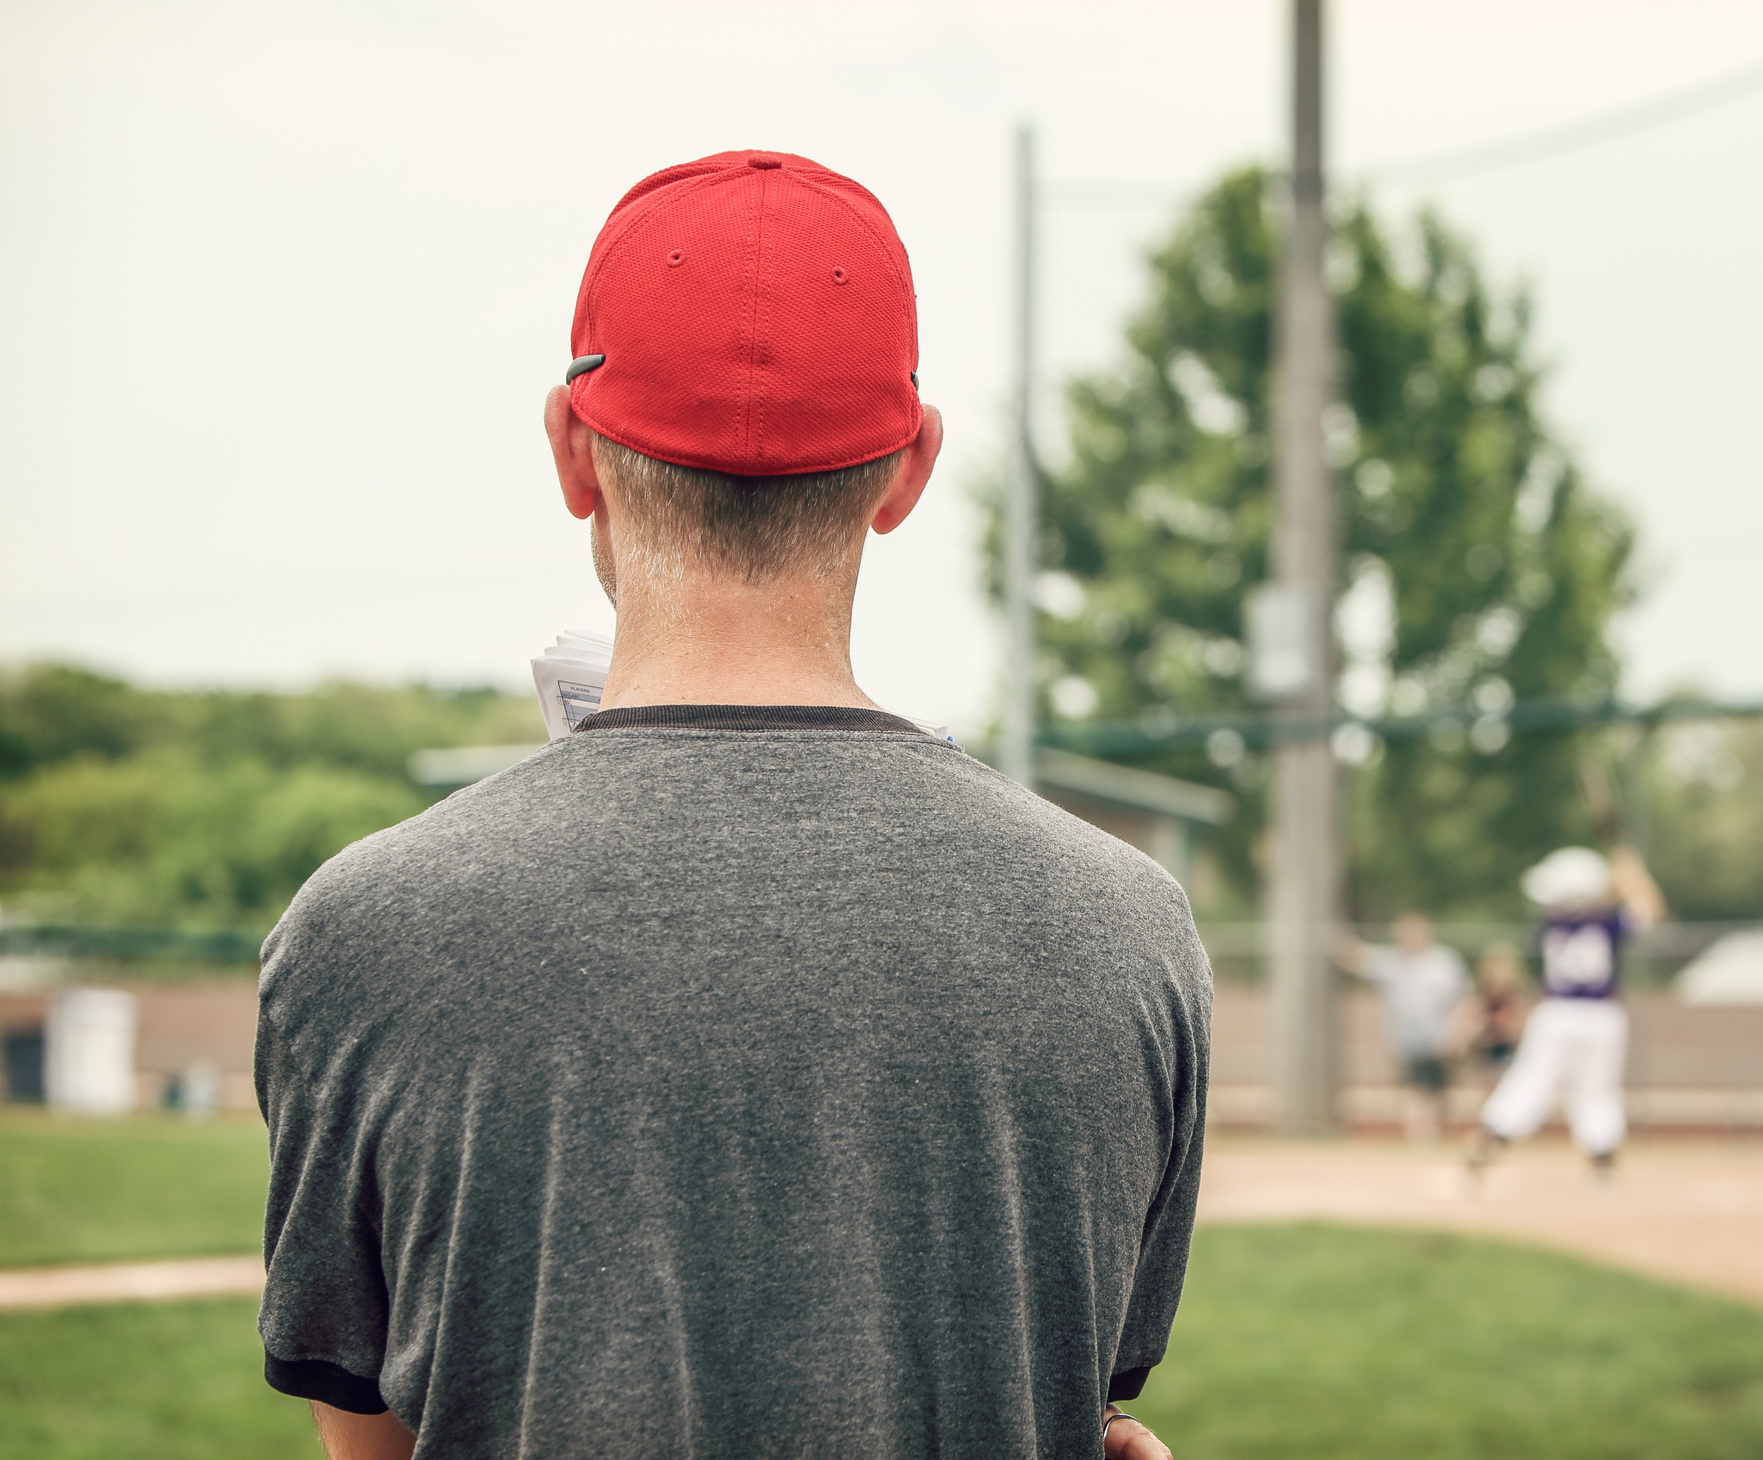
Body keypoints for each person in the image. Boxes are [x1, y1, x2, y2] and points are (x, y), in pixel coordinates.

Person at [255, 150, 1202, 1460]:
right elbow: (1081, 1405)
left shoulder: (358, 931)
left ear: (572, 449)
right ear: (911, 469)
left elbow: (373, 1442)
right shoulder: (1131, 933)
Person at [1467, 845, 1665, 1183]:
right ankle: (1602, 1159)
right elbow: (1650, 909)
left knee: (1531, 1078)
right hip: (1603, 1015)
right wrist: (1632, 875)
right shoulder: (1608, 922)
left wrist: (1619, 880)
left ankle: (1492, 1138)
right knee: (1597, 1088)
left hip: (1557, 1012)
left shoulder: (1551, 924)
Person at [1344, 914, 1472, 1144]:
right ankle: (1419, 1132)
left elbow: (1461, 998)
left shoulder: (1443, 962)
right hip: (1406, 1038)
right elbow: (1357, 959)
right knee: (1415, 1087)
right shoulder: (1392, 962)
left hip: (1439, 1037)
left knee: (1437, 1088)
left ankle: (1432, 1129)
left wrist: (1458, 1032)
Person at [1466, 943, 1528, 1077]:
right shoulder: (1475, 1004)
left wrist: (1509, 1029)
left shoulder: (1521, 1004)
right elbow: (1460, 1045)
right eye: (1494, 969)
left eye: (1503, 968)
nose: (1499, 975)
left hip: (1515, 1067)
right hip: (1482, 1067)